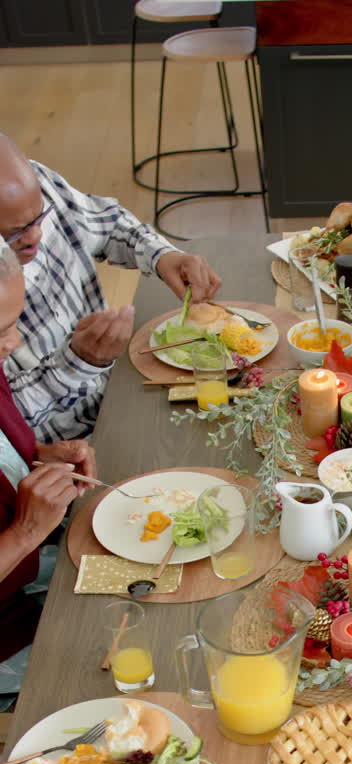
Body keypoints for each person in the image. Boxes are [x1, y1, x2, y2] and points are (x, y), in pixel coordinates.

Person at [0, 132, 222, 444]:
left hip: (119, 383)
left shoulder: (33, 185)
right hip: (61, 446)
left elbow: (106, 223)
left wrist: (162, 256)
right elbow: (8, 421)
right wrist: (79, 362)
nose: (36, 235)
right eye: (14, 235)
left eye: (41, 217)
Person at [0, 235, 96, 706]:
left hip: (33, 567)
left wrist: (39, 454)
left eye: (13, 323)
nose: (13, 343)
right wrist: (23, 531)